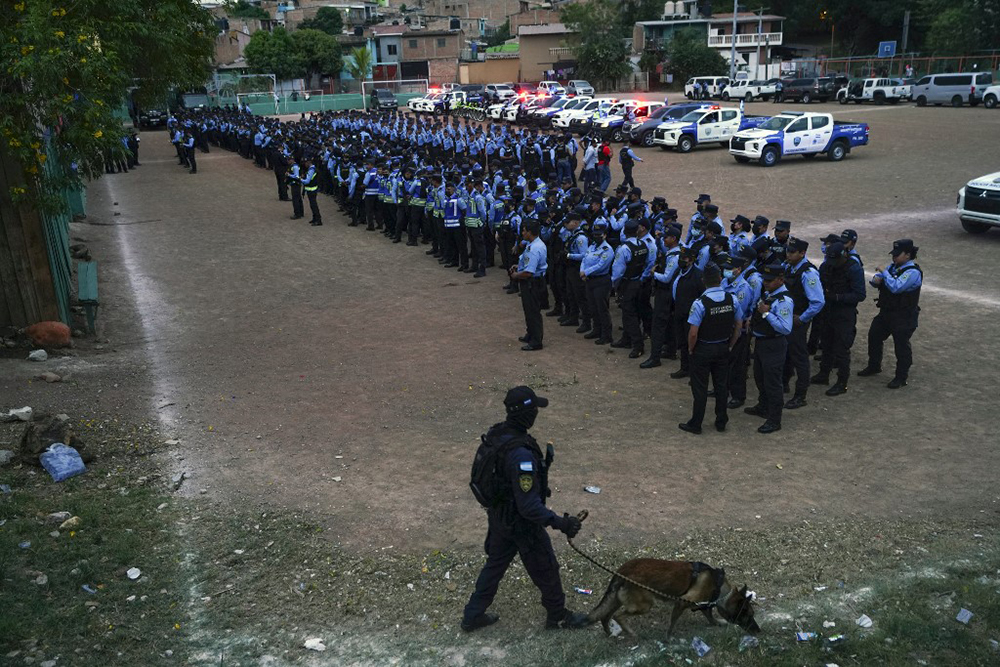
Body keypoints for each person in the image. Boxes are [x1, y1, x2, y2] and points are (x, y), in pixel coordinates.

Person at [462, 387, 589, 632]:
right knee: (546, 567)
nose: (536, 415)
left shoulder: (498, 434)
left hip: (499, 516)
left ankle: (472, 615)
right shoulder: (521, 455)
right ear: (525, 414)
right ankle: (558, 616)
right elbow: (529, 507)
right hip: (520, 523)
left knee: (495, 565)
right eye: (533, 410)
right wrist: (561, 523)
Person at [679, 263, 741, 434]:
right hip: (722, 347)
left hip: (703, 349)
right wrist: (730, 344)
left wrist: (691, 349)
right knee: (721, 386)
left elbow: (693, 333)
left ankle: (696, 423)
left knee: (700, 388)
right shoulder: (732, 299)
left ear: (703, 281)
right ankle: (721, 421)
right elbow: (739, 325)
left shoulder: (700, 303)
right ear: (720, 279)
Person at [858, 239, 922, 389]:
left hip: (904, 316)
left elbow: (896, 287)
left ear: (907, 255)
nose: (893, 258)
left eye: (897, 255)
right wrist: (877, 280)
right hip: (887, 312)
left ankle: (901, 377)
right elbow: (876, 281)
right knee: (874, 335)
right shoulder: (894, 267)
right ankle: (874, 365)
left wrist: (884, 273)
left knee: (901, 346)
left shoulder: (912, 272)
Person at [811, 242, 866, 395]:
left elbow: (860, 295)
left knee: (841, 349)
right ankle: (824, 374)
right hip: (828, 311)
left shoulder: (854, 268)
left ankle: (842, 382)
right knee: (827, 344)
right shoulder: (827, 265)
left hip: (844, 314)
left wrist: (837, 297)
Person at [745, 264, 794, 434]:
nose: (765, 283)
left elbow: (785, 328)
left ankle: (774, 419)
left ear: (780, 280)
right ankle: (763, 406)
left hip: (774, 344)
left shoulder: (784, 301)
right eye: (764, 280)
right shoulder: (770, 294)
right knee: (760, 377)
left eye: (770, 280)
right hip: (762, 342)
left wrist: (767, 314)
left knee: (773, 383)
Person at [782, 237, 824, 409]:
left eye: (792, 252)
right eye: (788, 251)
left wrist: (802, 318)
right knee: (785, 353)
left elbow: (818, 302)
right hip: (786, 318)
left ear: (802, 253)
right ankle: (784, 383)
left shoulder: (808, 274)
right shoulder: (788, 267)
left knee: (799, 357)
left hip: (797, 321)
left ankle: (801, 395)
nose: (788, 255)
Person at [610, 220, 651, 359]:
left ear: (624, 232)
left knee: (630, 315)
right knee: (631, 312)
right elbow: (648, 263)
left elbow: (618, 272)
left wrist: (615, 286)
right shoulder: (644, 245)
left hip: (627, 284)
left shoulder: (624, 249)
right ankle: (626, 339)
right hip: (638, 282)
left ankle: (638, 345)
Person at [511, 221, 548, 351]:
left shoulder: (534, 248)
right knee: (528, 310)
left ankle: (536, 341)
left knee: (533, 311)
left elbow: (528, 272)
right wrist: (519, 266)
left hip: (533, 282)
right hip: (532, 281)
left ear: (530, 232)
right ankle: (530, 334)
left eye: (524, 231)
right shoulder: (533, 244)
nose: (522, 233)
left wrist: (516, 275)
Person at [581, 219, 614, 344]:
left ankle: (606, 335)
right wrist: (582, 271)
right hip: (590, 281)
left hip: (601, 281)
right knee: (593, 307)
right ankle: (596, 329)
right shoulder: (592, 246)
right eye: (594, 234)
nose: (596, 237)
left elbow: (601, 265)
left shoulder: (607, 249)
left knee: (602, 309)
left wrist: (586, 272)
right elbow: (584, 259)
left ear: (604, 235)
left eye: (599, 235)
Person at [300, 157, 322, 226]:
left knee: (314, 205)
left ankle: (318, 220)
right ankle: (315, 218)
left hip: (312, 189)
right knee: (312, 205)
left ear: (309, 162)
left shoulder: (311, 170)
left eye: (306, 163)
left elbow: (307, 181)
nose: (305, 164)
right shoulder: (311, 169)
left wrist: (300, 179)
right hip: (311, 189)